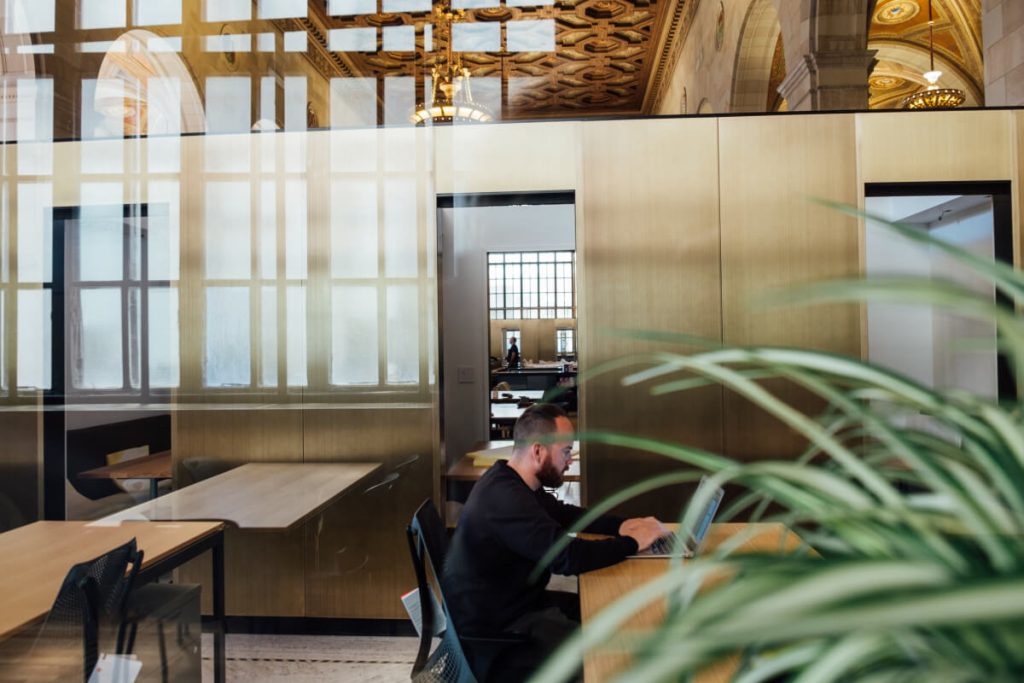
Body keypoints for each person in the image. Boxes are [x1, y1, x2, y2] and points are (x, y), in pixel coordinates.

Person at [443, 403, 666, 680]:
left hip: (512, 605)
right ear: (538, 450)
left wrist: (620, 525)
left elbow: (563, 513)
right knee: (608, 653)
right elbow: (568, 558)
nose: (569, 460)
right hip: (498, 632)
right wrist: (632, 543)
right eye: (565, 451)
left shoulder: (511, 480)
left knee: (604, 613)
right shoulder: (507, 499)